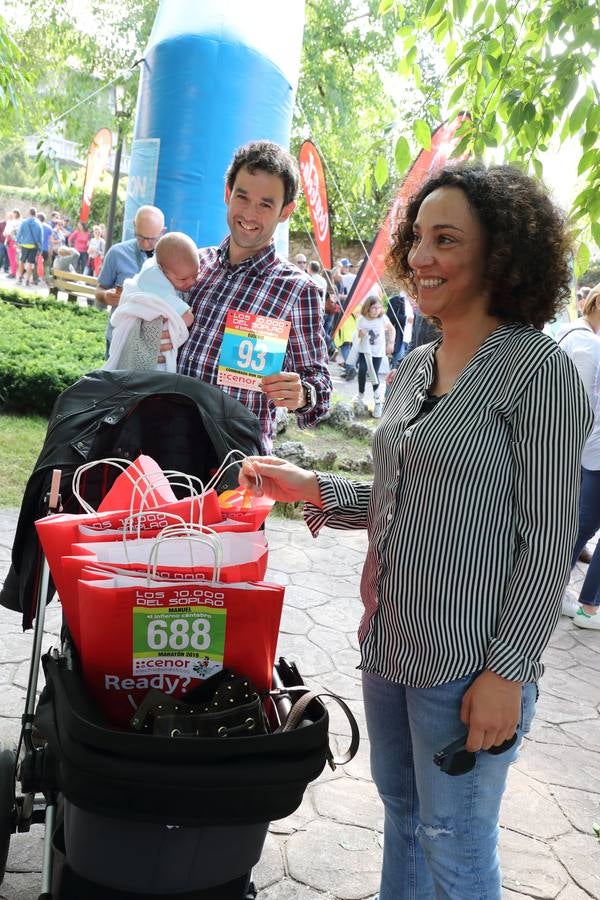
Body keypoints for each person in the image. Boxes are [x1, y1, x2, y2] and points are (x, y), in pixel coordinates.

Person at [237, 161, 592, 900]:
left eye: (447, 240)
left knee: (456, 850)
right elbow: (411, 495)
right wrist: (313, 487)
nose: (422, 258)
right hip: (390, 642)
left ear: (499, 254)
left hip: (469, 662)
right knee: (402, 818)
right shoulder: (416, 365)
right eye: (417, 238)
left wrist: (510, 670)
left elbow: (550, 539)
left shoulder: (539, 372)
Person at [177, 140, 331, 452]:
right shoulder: (191, 267)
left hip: (233, 465)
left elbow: (321, 391)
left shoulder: (297, 290)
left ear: (285, 211)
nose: (249, 213)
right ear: (227, 194)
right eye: (242, 197)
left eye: (265, 204)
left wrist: (302, 395)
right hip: (161, 444)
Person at [557, 283, 600, 629]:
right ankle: (575, 600)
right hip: (580, 449)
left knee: (579, 523)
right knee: (578, 524)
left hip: (584, 451)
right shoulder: (586, 345)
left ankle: (551, 588)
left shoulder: (576, 336)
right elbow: (580, 407)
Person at [103, 232, 196, 373]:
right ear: (162, 269)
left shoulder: (174, 268)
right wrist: (184, 315)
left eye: (196, 274)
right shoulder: (152, 275)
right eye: (183, 279)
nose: (192, 282)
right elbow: (171, 306)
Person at [95, 205, 166, 356]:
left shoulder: (171, 257)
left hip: (154, 343)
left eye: (152, 239)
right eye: (140, 237)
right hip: (119, 337)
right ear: (134, 226)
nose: (145, 243)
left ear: (162, 232)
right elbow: (99, 291)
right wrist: (106, 296)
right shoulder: (117, 253)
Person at [354, 296, 395, 418]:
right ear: (367, 307)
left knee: (374, 375)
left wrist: (391, 343)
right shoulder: (361, 320)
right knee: (361, 371)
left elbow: (392, 329)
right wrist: (360, 334)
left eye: (379, 307)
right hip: (364, 351)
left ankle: (377, 402)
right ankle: (360, 395)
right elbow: (357, 336)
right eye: (374, 308)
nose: (377, 310)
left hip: (377, 352)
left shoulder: (382, 318)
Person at [16, 207, 43, 286]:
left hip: (24, 245)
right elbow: (40, 237)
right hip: (34, 246)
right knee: (30, 263)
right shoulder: (38, 223)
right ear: (36, 213)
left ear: (29, 213)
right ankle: (27, 280)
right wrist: (40, 248)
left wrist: (17, 242)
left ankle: (20, 278)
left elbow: (19, 233)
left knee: (22, 261)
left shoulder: (24, 222)